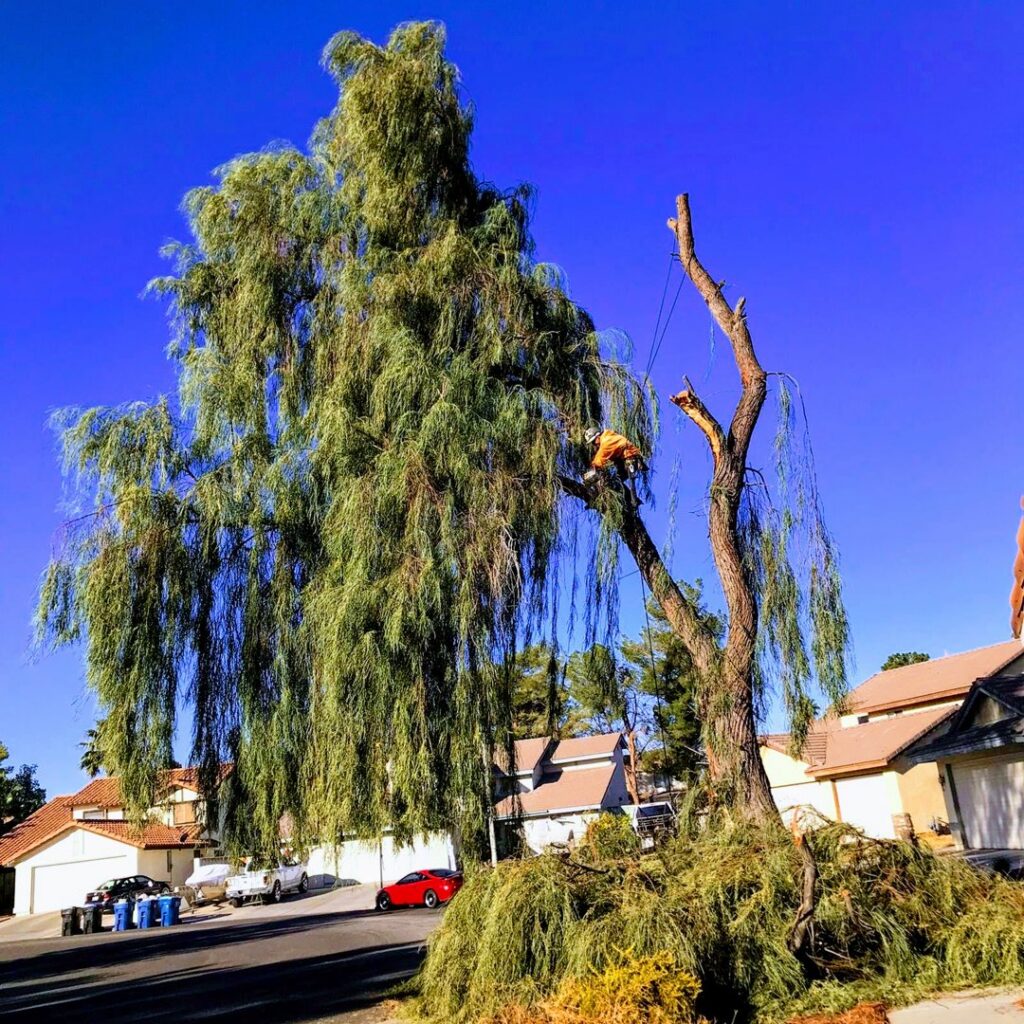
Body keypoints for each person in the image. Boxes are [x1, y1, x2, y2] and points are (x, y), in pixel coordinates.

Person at [583, 427, 644, 505]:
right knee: (616, 481)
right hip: (624, 460)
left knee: (614, 482)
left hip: (630, 459)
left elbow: (600, 457)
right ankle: (629, 501)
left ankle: (632, 502)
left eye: (593, 442)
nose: (594, 444)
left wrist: (591, 470)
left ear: (597, 437)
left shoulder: (606, 441)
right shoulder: (607, 436)